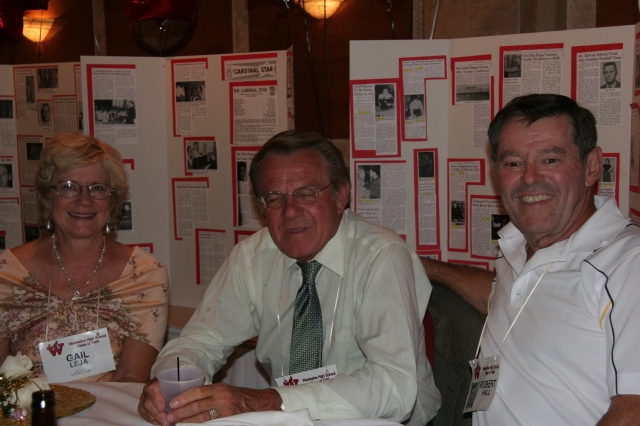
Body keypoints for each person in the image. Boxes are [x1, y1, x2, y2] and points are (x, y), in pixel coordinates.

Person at [138, 130, 440, 425]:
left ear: (340, 196)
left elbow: (395, 385)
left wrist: (268, 401)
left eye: (306, 194)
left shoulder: (381, 256)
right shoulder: (253, 257)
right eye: (274, 198)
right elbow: (201, 341)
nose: (290, 211)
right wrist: (171, 387)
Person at [422, 94, 640, 425]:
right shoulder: (517, 246)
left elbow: (633, 409)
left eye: (550, 160)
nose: (528, 178)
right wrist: (424, 266)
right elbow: (511, 299)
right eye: (512, 163)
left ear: (592, 166)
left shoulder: (627, 264)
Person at [0, 133, 169, 382]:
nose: (84, 200)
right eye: (69, 187)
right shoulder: (7, 273)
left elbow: (131, 378)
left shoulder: (143, 275)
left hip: (108, 417)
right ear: (47, 197)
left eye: (97, 188)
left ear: (112, 201)